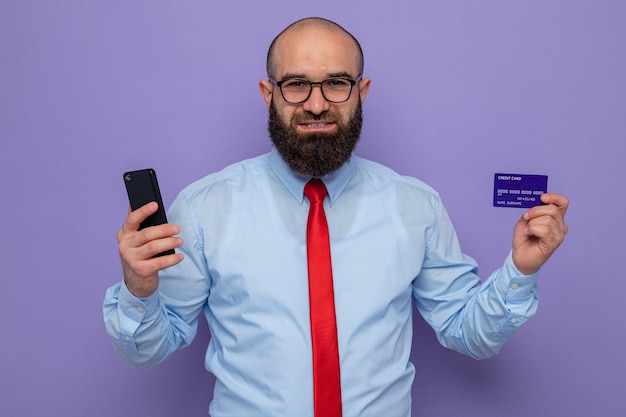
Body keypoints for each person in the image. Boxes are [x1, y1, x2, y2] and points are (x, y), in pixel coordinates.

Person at [103, 17, 568, 417]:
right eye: (297, 84)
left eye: (337, 83)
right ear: (269, 93)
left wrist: (519, 272)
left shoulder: (415, 206)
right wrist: (138, 291)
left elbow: (469, 333)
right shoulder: (205, 208)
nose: (318, 103)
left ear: (361, 91)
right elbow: (147, 351)